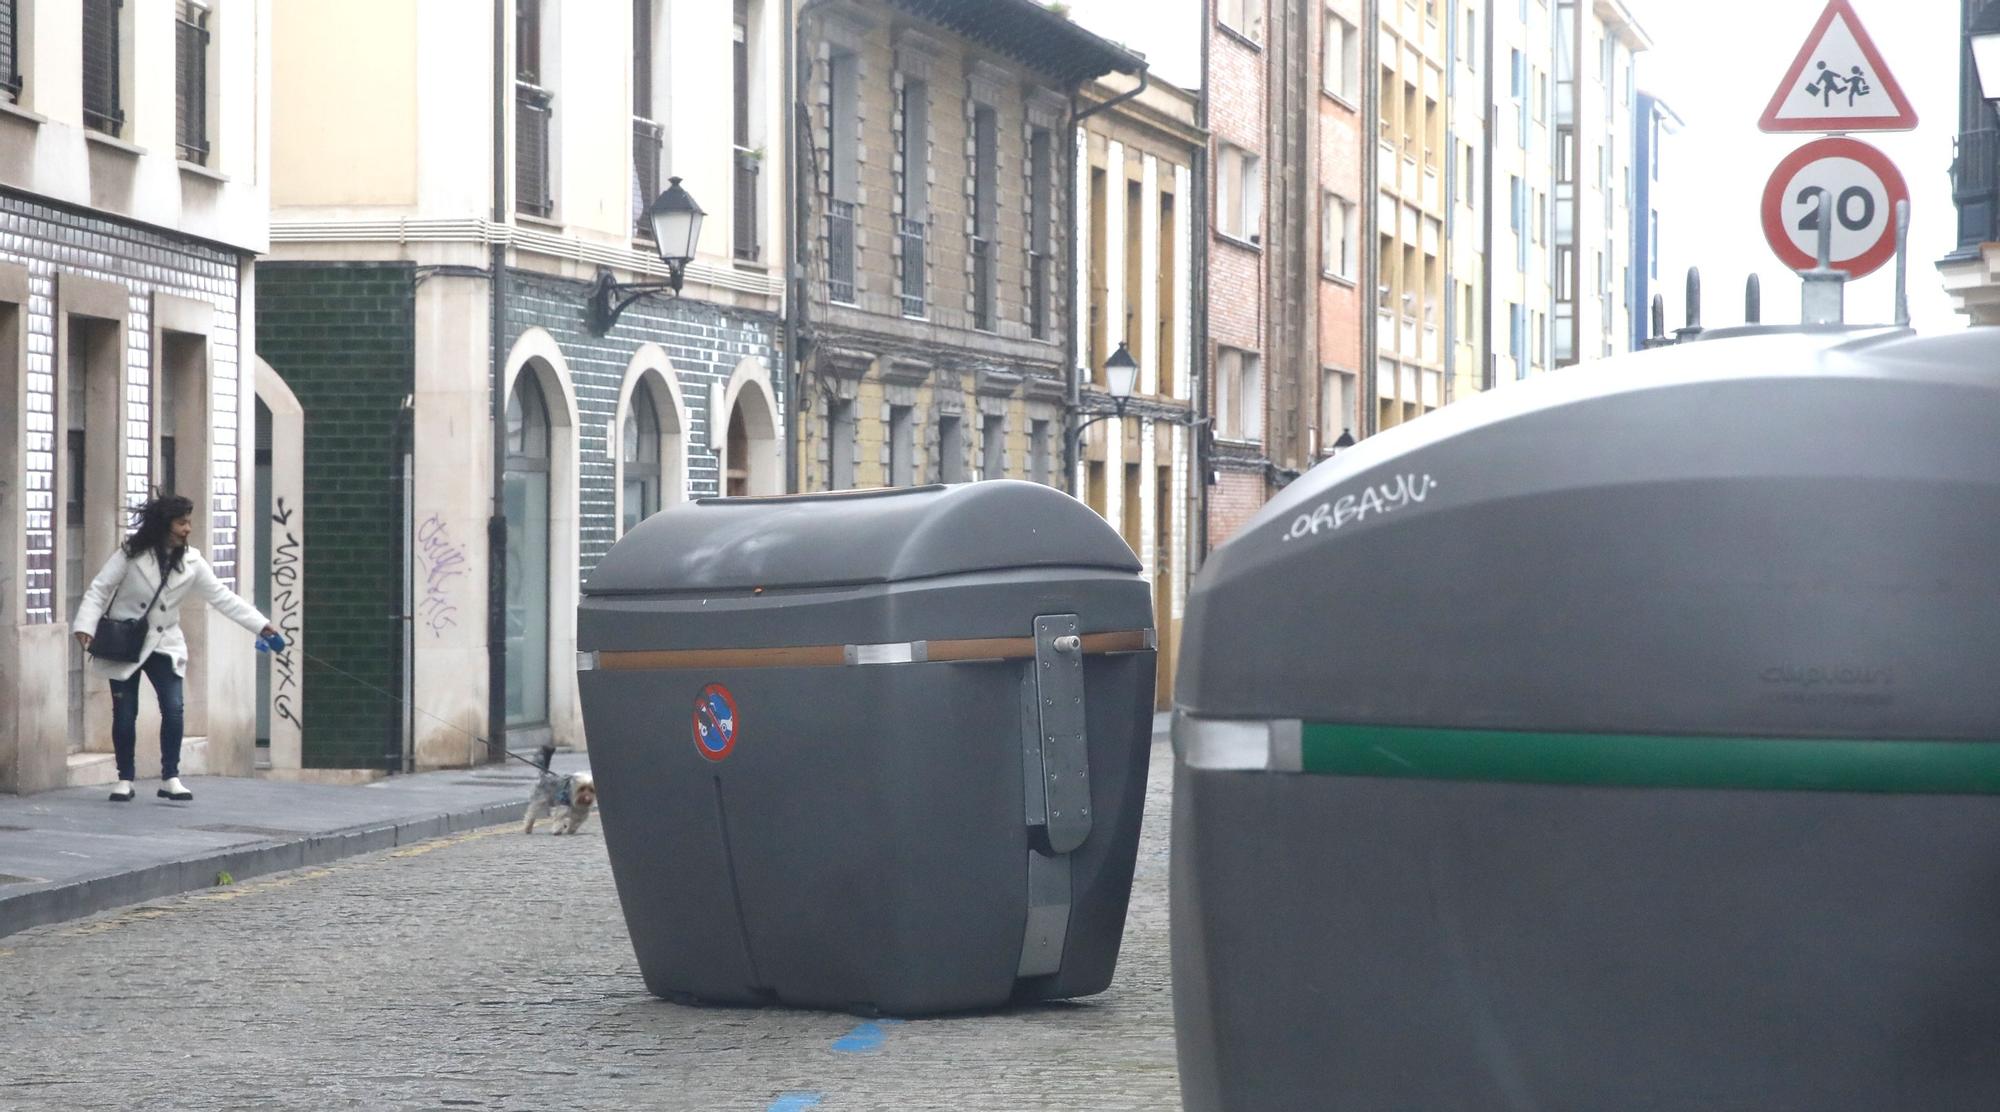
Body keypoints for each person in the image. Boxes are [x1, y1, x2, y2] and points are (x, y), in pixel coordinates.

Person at [70, 494, 279, 803]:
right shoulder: (131, 553)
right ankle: (125, 778)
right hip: (125, 642)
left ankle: (171, 776)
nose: (187, 529)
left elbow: (223, 597)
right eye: (181, 522)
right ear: (164, 525)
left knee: (174, 708)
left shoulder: (193, 561)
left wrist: (261, 625)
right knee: (125, 713)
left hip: (165, 643)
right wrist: (85, 625)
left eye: (188, 522)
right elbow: (100, 588)